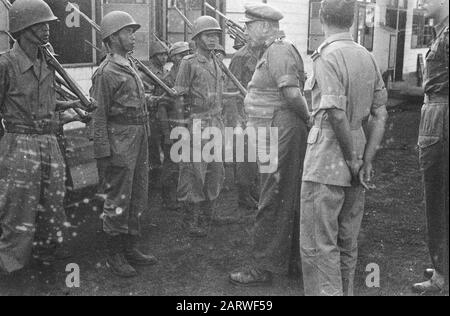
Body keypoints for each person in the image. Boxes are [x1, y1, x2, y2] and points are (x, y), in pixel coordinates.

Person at [299, 0, 388, 296]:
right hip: (359, 156)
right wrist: (366, 160)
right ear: (351, 20)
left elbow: (335, 112)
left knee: (319, 243)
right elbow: (381, 113)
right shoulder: (367, 56)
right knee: (348, 241)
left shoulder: (326, 56)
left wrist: (351, 159)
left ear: (321, 18)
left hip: (328, 158)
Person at [229, 3, 310, 286]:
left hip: (282, 130)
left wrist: (308, 120)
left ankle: (262, 267)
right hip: (277, 130)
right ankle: (289, 261)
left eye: (249, 26)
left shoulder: (278, 51)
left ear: (265, 26)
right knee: (283, 195)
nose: (246, 31)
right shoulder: (273, 51)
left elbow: (291, 93)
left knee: (272, 198)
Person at [0, 0, 75, 273]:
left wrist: (71, 109)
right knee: (18, 208)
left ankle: (46, 259)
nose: (47, 30)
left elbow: (50, 101)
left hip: (50, 140)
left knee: (53, 203)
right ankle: (12, 269)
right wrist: (6, 144)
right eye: (40, 25)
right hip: (20, 142)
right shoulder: (6, 64)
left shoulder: (48, 61)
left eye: (47, 24)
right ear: (23, 29)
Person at [91, 11, 157, 278]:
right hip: (120, 139)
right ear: (113, 37)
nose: (133, 37)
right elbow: (98, 116)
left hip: (139, 135)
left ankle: (130, 247)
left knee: (138, 193)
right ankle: (114, 254)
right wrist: (103, 152)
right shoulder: (105, 73)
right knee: (118, 196)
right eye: (128, 32)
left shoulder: (130, 64)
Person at [174, 16, 227, 238]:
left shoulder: (217, 61)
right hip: (196, 123)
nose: (213, 39)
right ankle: (190, 221)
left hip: (216, 122)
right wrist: (180, 128)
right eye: (208, 35)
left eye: (215, 35)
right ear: (196, 38)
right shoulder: (189, 63)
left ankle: (208, 216)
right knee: (194, 172)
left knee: (216, 171)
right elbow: (179, 96)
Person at [412, 0, 449, 294]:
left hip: (442, 119)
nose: (420, 2)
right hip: (436, 116)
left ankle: (441, 276)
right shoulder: (441, 32)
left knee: (437, 198)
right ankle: (442, 267)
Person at [227, 37, 260, 210]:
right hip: (243, 112)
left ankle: (253, 189)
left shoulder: (263, 53)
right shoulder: (241, 57)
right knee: (245, 154)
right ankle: (243, 195)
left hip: (259, 111)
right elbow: (231, 88)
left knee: (256, 155)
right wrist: (236, 119)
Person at [159, 41, 191, 211]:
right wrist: (166, 133)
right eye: (184, 54)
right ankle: (167, 197)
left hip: (188, 126)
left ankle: (181, 195)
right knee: (171, 165)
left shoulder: (189, 75)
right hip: (173, 128)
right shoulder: (168, 79)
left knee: (185, 164)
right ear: (176, 57)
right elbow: (162, 108)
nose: (187, 57)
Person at [142, 41, 170, 190]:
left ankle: (163, 182)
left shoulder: (167, 73)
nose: (164, 57)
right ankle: (153, 184)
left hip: (164, 116)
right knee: (153, 150)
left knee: (167, 148)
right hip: (152, 116)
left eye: (165, 54)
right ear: (153, 56)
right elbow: (143, 96)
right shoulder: (146, 73)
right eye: (160, 54)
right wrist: (157, 99)